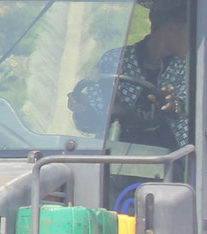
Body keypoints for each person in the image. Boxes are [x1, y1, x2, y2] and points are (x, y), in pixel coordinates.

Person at [68, 12, 189, 146]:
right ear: (170, 29)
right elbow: (95, 119)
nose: (193, 40)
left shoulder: (189, 67)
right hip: (117, 148)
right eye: (190, 32)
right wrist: (83, 109)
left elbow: (187, 105)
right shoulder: (114, 60)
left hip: (172, 155)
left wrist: (173, 106)